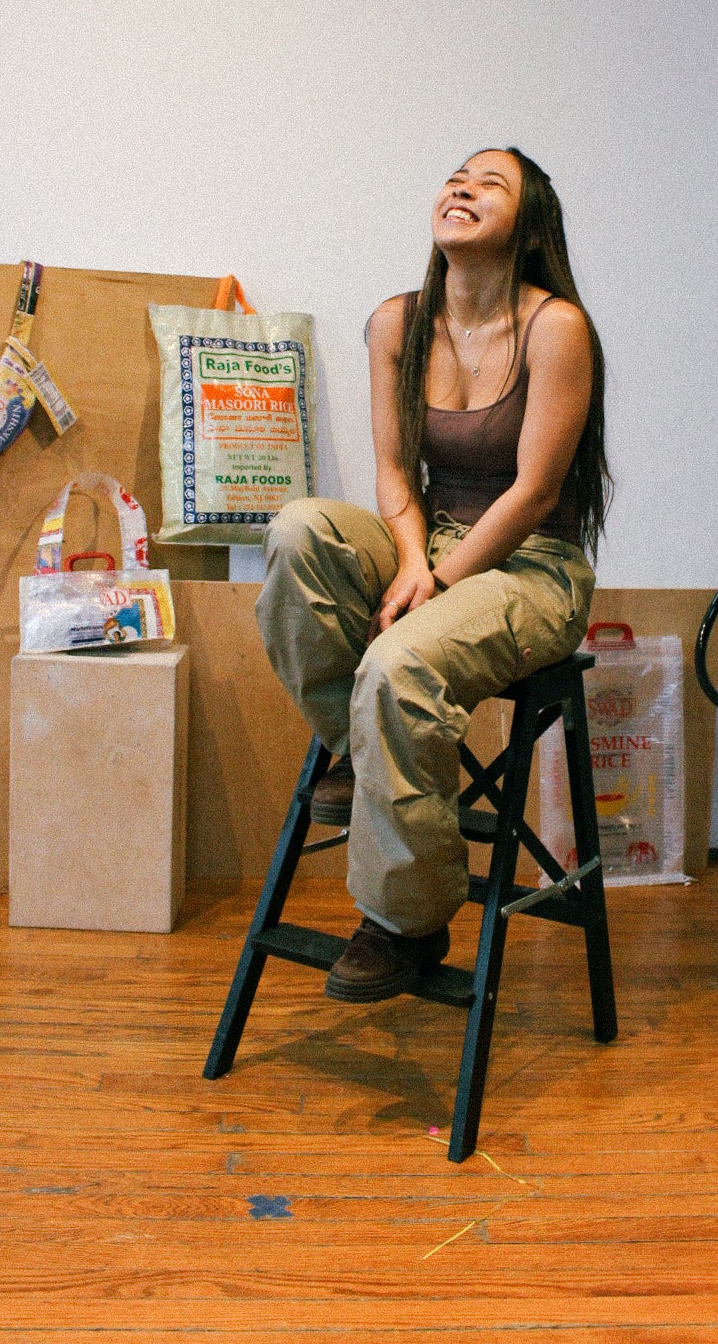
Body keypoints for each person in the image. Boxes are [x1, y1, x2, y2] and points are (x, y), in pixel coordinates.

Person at [256, 146, 611, 1001]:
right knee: (301, 529)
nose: (463, 187)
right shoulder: (396, 323)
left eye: (491, 184)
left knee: (398, 662)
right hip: (434, 537)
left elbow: (534, 494)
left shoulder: (556, 326)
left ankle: (405, 922)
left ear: (527, 228)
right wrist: (416, 561)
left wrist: (442, 583)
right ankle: (364, 745)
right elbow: (391, 473)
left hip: (534, 568)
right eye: (457, 176)